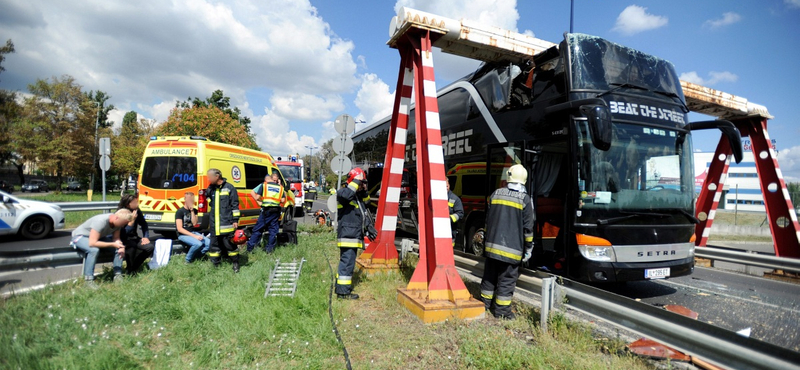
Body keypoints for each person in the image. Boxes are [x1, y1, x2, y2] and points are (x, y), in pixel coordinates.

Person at [478, 164, 534, 320]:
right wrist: (528, 249)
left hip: (491, 246)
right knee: (506, 280)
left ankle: (483, 304)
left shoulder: (495, 194)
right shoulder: (525, 199)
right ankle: (502, 312)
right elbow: (527, 229)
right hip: (512, 250)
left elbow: (488, 221)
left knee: (489, 277)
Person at [335, 168, 377, 300]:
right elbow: (347, 194)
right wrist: (356, 181)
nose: (361, 185)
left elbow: (366, 208)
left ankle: (340, 287)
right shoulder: (343, 193)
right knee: (347, 263)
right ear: (353, 181)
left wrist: (369, 228)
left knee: (347, 262)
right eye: (360, 183)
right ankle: (343, 293)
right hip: (348, 235)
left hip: (353, 235)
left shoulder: (357, 197)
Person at [70, 209, 135, 288]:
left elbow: (116, 238)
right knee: (94, 250)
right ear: (116, 218)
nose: (122, 226)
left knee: (119, 249)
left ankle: (118, 275)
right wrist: (113, 244)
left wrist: (120, 245)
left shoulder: (117, 224)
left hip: (98, 237)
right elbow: (92, 243)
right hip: (81, 236)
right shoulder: (100, 221)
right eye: (123, 223)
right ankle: (88, 280)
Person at [205, 168, 241, 272]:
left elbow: (235, 205)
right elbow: (207, 197)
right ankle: (215, 266)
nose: (208, 179)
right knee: (214, 246)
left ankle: (235, 263)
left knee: (230, 245)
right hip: (214, 224)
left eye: (210, 177)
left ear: (217, 177)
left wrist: (235, 220)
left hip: (226, 224)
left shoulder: (229, 188)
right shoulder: (210, 188)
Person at [246, 171, 285, 253]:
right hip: (275, 211)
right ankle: (269, 250)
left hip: (266, 211)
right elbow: (283, 200)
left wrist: (262, 201)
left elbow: (257, 197)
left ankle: (250, 248)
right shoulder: (280, 188)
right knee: (273, 231)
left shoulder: (264, 185)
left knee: (257, 229)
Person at [118, 194, 155, 275]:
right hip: (123, 239)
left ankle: (133, 268)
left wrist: (146, 237)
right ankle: (130, 269)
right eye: (135, 202)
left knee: (149, 247)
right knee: (132, 246)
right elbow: (123, 234)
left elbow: (144, 224)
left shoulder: (137, 211)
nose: (137, 204)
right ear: (128, 204)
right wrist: (132, 222)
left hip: (134, 237)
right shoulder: (121, 213)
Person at [176, 192, 210, 263]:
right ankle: (187, 260)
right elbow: (179, 229)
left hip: (193, 232)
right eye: (188, 199)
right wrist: (194, 236)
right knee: (198, 244)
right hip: (183, 235)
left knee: (209, 243)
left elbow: (194, 223)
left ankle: (196, 257)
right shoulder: (180, 212)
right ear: (185, 199)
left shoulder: (194, 211)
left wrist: (192, 211)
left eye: (192, 199)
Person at [446, 181, 464, 248]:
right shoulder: (435, 197)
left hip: (450, 231)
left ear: (449, 185)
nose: (445, 188)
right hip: (436, 231)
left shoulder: (455, 199)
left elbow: (460, 214)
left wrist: (449, 219)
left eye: (447, 186)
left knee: (448, 251)